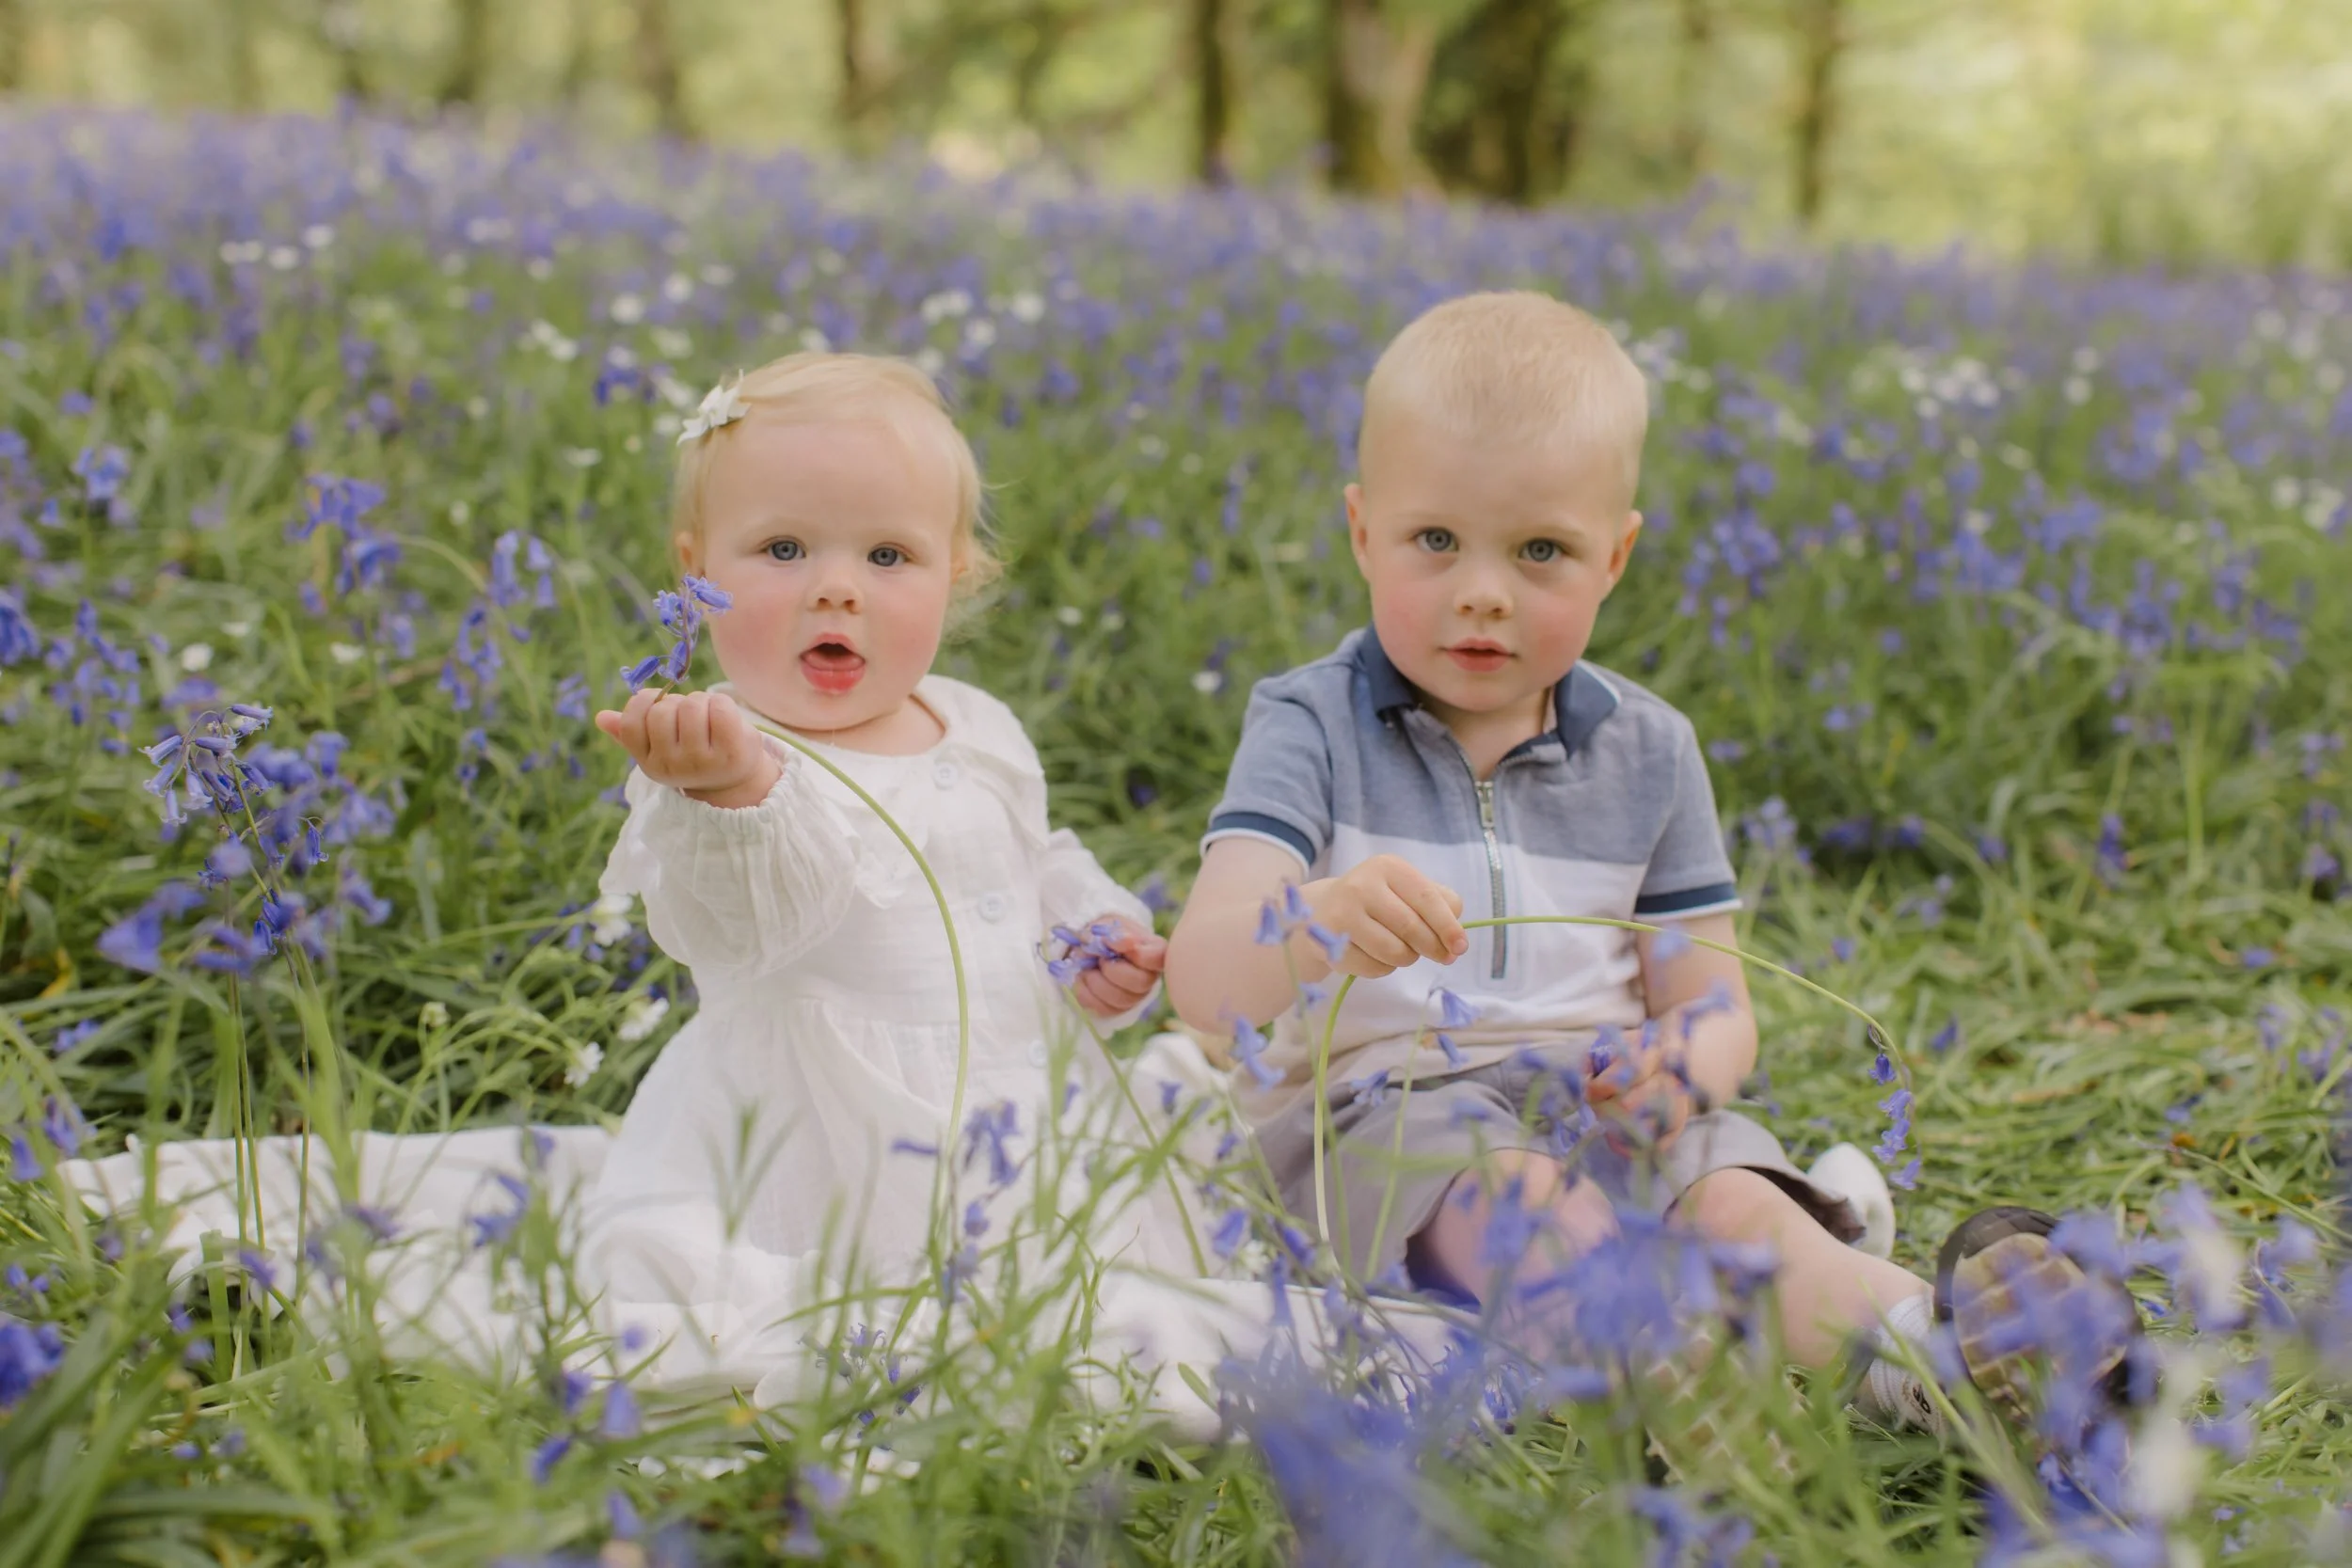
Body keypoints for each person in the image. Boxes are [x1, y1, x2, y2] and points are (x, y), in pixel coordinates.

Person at [1164, 292, 2137, 1436]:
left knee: (1739, 1206)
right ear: (1361, 530)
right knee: (1519, 1198)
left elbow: (1716, 1005)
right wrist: (1312, 917)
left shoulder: (1650, 752)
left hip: (1612, 1112)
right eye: (1436, 539)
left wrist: (1685, 1066)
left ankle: (1947, 1362)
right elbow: (1206, 982)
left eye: (1540, 550)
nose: (1483, 588)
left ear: (1614, 554)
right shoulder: (1307, 726)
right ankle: (1664, 1375)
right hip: (1386, 1123)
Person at [587, 351, 1171, 1317]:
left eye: (887, 556)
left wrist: (1091, 930)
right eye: (783, 549)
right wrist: (731, 794)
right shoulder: (715, 757)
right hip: (828, 1140)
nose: (836, 588)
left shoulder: (976, 724)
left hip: (1024, 1104)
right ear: (697, 573)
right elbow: (740, 926)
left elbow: (1030, 859)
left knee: (1099, 1282)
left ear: (957, 574)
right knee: (851, 1313)